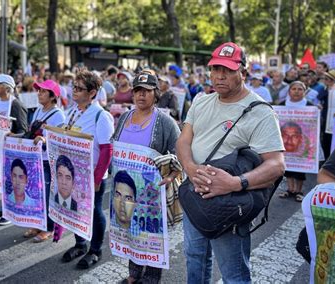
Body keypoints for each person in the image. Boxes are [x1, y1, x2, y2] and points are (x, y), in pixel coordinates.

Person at [176, 42, 285, 283]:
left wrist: (235, 183)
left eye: (227, 70)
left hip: (228, 205)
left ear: (242, 73)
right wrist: (191, 169)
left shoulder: (260, 111)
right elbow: (183, 141)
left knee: (233, 273)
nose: (219, 76)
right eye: (215, 69)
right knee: (194, 256)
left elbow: (277, 165)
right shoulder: (201, 101)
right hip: (195, 196)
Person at [112, 71, 181, 284]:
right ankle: (134, 274)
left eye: (147, 91)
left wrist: (172, 175)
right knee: (130, 231)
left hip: (152, 193)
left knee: (150, 234)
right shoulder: (124, 117)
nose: (141, 95)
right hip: (127, 189)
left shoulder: (165, 122)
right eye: (137, 91)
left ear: (156, 94)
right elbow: (115, 145)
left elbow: (179, 154)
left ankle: (151, 277)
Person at [60, 70, 114, 269]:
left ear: (92, 93)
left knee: (94, 211)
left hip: (92, 174)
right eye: (74, 87)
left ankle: (95, 250)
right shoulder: (72, 112)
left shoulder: (101, 115)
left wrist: (97, 178)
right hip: (73, 173)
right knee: (75, 209)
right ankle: (80, 244)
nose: (74, 91)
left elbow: (107, 150)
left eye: (79, 88)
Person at [23, 79, 65, 242]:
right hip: (36, 158)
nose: (39, 93)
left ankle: (49, 228)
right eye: (38, 90)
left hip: (49, 161)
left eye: (43, 91)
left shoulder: (59, 115)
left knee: (48, 195)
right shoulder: (38, 111)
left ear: (53, 96)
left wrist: (46, 140)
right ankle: (38, 224)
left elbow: (61, 140)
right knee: (37, 194)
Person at [0, 74, 28, 226]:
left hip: (12, 150)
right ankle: (4, 208)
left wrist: (13, 135)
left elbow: (24, 130)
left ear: (6, 88)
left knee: (11, 182)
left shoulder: (16, 105)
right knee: (3, 182)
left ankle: (10, 211)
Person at [278, 81, 315, 202]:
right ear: (289, 91)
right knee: (287, 165)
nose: (296, 91)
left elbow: (315, 124)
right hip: (285, 142)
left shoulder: (310, 105)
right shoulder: (282, 104)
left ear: (305, 92)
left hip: (301, 142)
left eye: (300, 89)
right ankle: (290, 189)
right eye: (294, 89)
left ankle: (299, 191)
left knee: (301, 166)